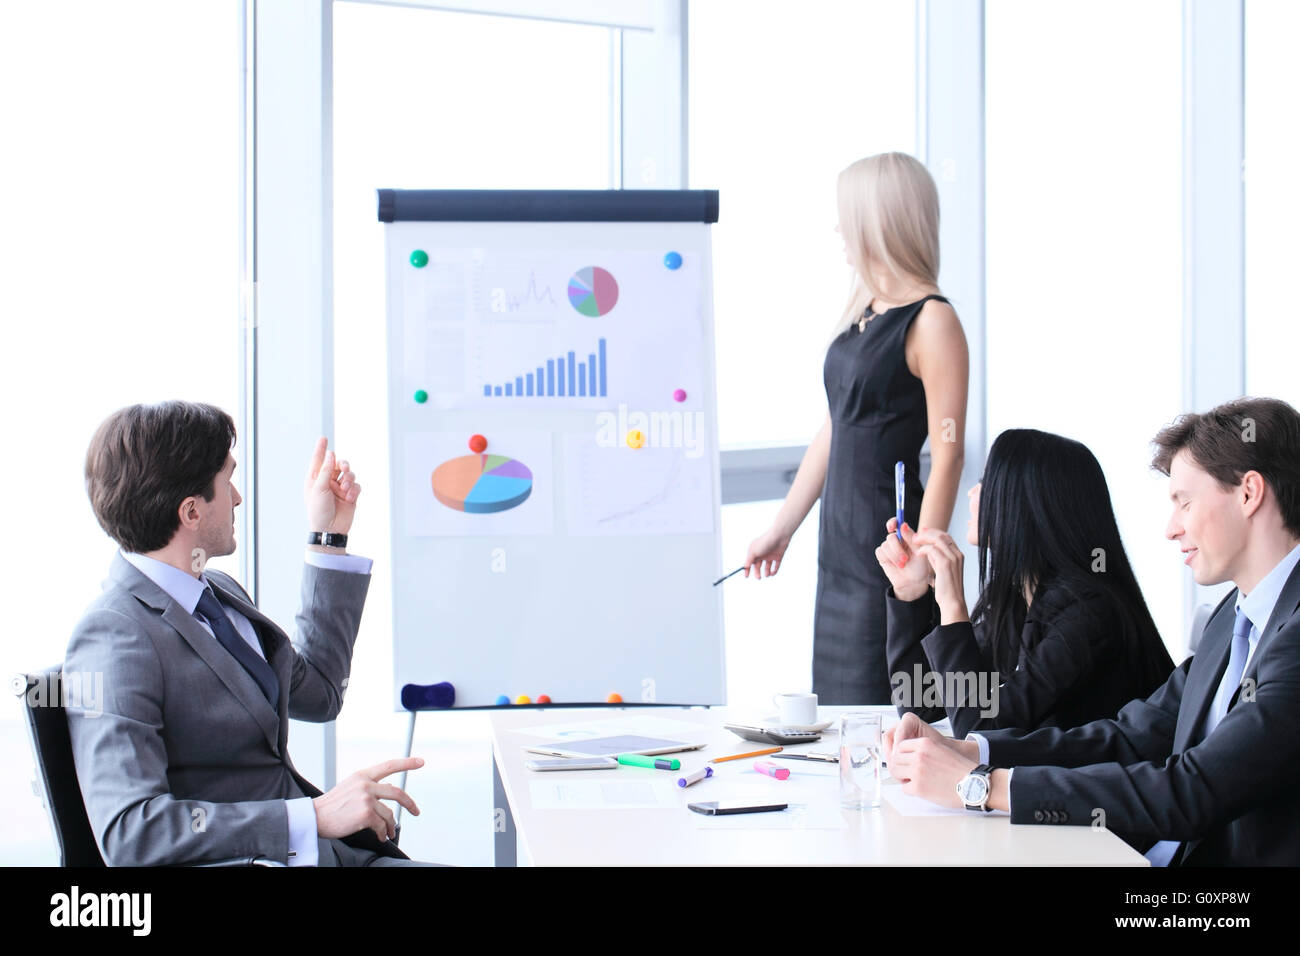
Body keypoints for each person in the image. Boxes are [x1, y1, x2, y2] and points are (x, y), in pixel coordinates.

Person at [883, 397, 1300, 865]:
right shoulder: (1233, 616)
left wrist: (982, 783)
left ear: (1249, 493)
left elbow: (1194, 789)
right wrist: (967, 749)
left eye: (1184, 502)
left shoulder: (1290, 634)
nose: (1171, 528)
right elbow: (1128, 736)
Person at [64, 401, 431, 866]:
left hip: (330, 855)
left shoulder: (218, 592)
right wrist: (310, 817)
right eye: (227, 480)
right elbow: (133, 832)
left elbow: (319, 695)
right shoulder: (115, 635)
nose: (237, 497)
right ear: (192, 511)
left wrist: (329, 536)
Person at [743, 152, 969, 704]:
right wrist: (783, 527)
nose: (840, 229)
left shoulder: (932, 319)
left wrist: (920, 561)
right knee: (841, 714)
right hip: (838, 550)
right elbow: (836, 426)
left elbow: (949, 455)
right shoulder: (863, 308)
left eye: (849, 216)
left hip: (885, 547)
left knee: (883, 711)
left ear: (881, 220)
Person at [876, 428, 1174, 739]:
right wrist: (910, 593)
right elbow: (922, 701)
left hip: (1109, 784)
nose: (972, 494)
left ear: (1024, 503)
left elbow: (979, 730)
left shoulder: (1088, 615)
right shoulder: (1021, 600)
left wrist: (952, 605)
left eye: (984, 483)